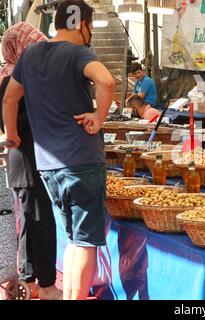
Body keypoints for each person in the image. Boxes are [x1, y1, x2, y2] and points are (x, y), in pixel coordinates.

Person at [2, 0, 115, 300]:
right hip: (81, 162)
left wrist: (11, 135)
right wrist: (98, 117)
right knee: (85, 243)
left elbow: (9, 100)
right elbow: (106, 80)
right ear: (83, 24)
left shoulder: (29, 57)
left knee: (73, 239)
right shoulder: (79, 53)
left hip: (48, 166)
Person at [0, 22, 62, 300]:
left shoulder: (25, 79)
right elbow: (7, 123)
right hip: (24, 160)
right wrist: (43, 111)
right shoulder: (9, 80)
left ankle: (28, 280)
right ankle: (47, 284)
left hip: (29, 159)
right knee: (40, 220)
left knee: (29, 222)